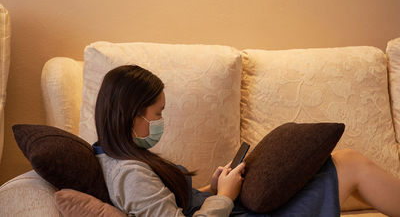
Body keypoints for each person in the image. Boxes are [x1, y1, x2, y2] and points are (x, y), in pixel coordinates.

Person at [93, 65, 400, 217]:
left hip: (226, 207)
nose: (159, 122)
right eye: (157, 114)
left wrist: (212, 188)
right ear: (133, 115)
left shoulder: (116, 157)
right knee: (352, 166)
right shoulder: (130, 175)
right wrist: (224, 197)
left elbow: (172, 206)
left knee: (343, 162)